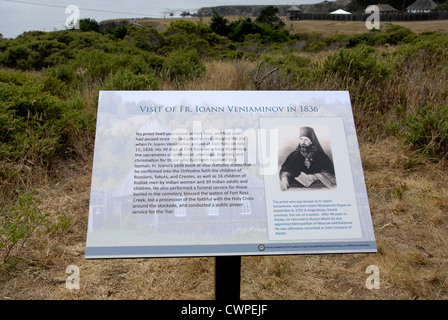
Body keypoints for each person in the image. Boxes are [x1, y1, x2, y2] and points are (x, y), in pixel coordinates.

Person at [279, 126, 336, 190]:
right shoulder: (294, 155)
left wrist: (316, 176)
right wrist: (285, 179)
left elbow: (331, 172)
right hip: (297, 186)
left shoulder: (320, 155)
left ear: (311, 141)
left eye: (306, 140)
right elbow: (286, 170)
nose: (303, 142)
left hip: (318, 186)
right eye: (301, 139)